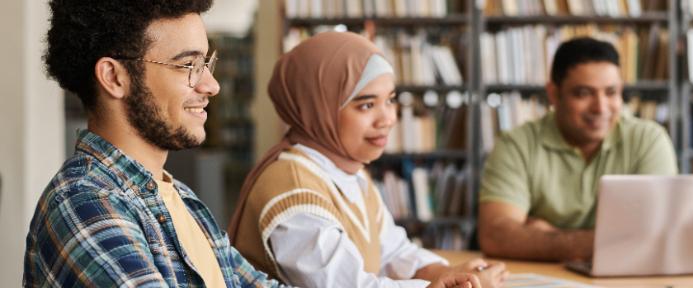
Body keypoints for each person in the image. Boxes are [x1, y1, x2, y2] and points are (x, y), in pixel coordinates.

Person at [22, 1, 483, 287]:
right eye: (188, 66)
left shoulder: (178, 198)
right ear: (114, 77)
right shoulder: (85, 204)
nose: (212, 86)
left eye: (209, 63)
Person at [228, 31, 508, 288]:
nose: (388, 118)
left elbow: (393, 252)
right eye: (366, 105)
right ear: (318, 109)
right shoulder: (292, 189)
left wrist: (446, 273)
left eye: (390, 100)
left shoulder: (348, 172)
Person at [477, 37, 678, 262]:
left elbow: (658, 236)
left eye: (611, 93)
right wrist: (613, 241)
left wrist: (546, 235)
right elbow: (496, 236)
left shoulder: (649, 140)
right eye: (583, 93)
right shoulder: (517, 144)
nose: (600, 108)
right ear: (554, 93)